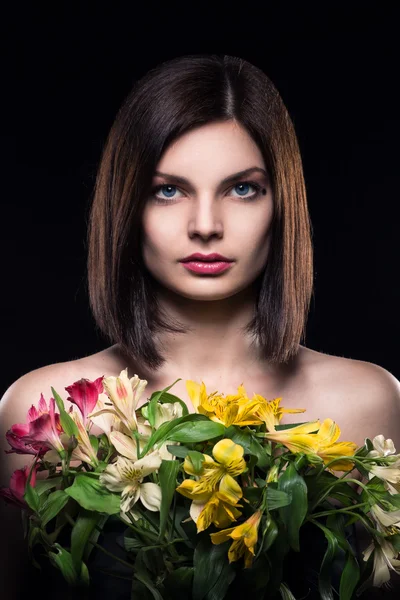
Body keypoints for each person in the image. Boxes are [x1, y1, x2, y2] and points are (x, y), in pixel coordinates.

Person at [1, 53, 399, 598]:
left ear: (282, 203)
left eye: (242, 189)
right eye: (168, 190)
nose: (206, 226)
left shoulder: (369, 402)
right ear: (126, 205)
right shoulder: (45, 410)